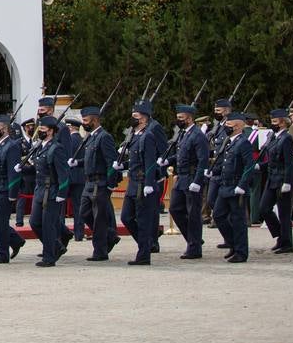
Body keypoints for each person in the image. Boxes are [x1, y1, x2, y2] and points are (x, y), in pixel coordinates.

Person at [119, 99, 168, 266]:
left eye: (136, 115)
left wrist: (149, 182)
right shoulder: (134, 135)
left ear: (144, 118)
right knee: (126, 217)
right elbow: (134, 160)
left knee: (143, 219)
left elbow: (150, 161)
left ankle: (144, 254)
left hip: (142, 183)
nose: (132, 118)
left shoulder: (147, 136)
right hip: (133, 182)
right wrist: (122, 165)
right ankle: (144, 245)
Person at [167, 103, 210, 259]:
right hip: (182, 178)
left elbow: (203, 160)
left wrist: (198, 180)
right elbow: (181, 155)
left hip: (192, 177)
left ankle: (194, 248)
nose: (178, 120)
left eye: (181, 118)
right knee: (175, 209)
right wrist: (167, 161)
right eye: (177, 117)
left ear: (189, 118)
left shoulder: (198, 135)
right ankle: (194, 239)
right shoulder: (183, 133)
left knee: (193, 214)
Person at [212, 111, 256, 263]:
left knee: (238, 220)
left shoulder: (243, 142)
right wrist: (212, 171)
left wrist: (243, 185)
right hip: (225, 186)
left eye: (229, 125)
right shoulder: (230, 141)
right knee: (218, 215)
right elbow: (225, 163)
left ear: (237, 126)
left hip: (236, 187)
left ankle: (241, 252)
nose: (226, 127)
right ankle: (232, 243)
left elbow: (249, 166)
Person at [78, 106, 118, 261]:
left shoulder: (104, 137)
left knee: (99, 217)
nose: (84, 123)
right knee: (84, 213)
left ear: (94, 120)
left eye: (86, 120)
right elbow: (91, 160)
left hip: (99, 183)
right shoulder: (91, 137)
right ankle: (110, 235)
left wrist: (110, 184)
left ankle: (100, 251)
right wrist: (78, 163)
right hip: (88, 182)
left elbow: (111, 162)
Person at [0, 114, 26, 264]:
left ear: (5, 128)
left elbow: (13, 171)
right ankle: (15, 240)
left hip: (5, 188)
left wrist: (12, 193)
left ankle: (2, 253)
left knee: (1, 221)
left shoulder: (12, 145)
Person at [34, 116, 70, 267]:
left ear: (51, 131)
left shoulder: (56, 148)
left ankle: (49, 257)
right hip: (40, 189)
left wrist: (62, 193)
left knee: (48, 224)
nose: (40, 132)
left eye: (42, 130)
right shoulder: (40, 146)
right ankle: (56, 246)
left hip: (52, 190)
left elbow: (63, 173)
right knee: (35, 222)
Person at [261, 109, 293, 254]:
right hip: (272, 178)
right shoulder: (274, 137)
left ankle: (287, 243)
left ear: (282, 123)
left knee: (284, 213)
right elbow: (271, 160)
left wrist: (288, 181)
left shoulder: (286, 138)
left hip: (282, 179)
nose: (272, 124)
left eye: (275, 122)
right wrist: (260, 166)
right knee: (264, 208)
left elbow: (289, 162)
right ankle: (279, 236)